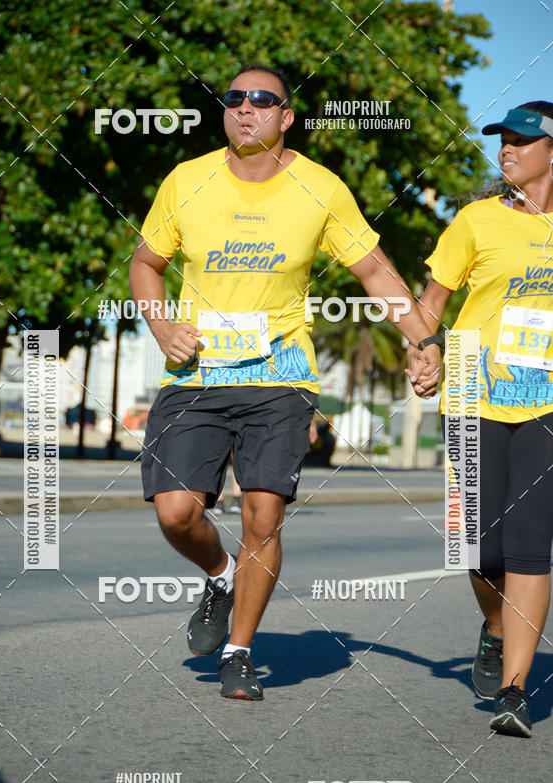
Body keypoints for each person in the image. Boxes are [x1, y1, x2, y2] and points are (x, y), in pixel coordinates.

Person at [130, 63, 441, 700]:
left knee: (263, 514)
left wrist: (423, 338)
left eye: (261, 100)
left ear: (286, 116)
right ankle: (219, 573)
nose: (245, 109)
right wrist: (161, 327)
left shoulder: (321, 188)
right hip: (196, 375)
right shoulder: (187, 181)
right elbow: (146, 263)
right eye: (234, 99)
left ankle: (240, 651)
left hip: (280, 377)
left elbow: (376, 272)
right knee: (177, 512)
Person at [407, 102, 553, 737]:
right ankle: (495, 626)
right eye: (504, 140)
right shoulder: (475, 222)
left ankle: (516, 690)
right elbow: (431, 304)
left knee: (529, 544)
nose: (507, 150)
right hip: (472, 388)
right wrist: (425, 352)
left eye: (523, 140)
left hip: (548, 401)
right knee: (479, 548)